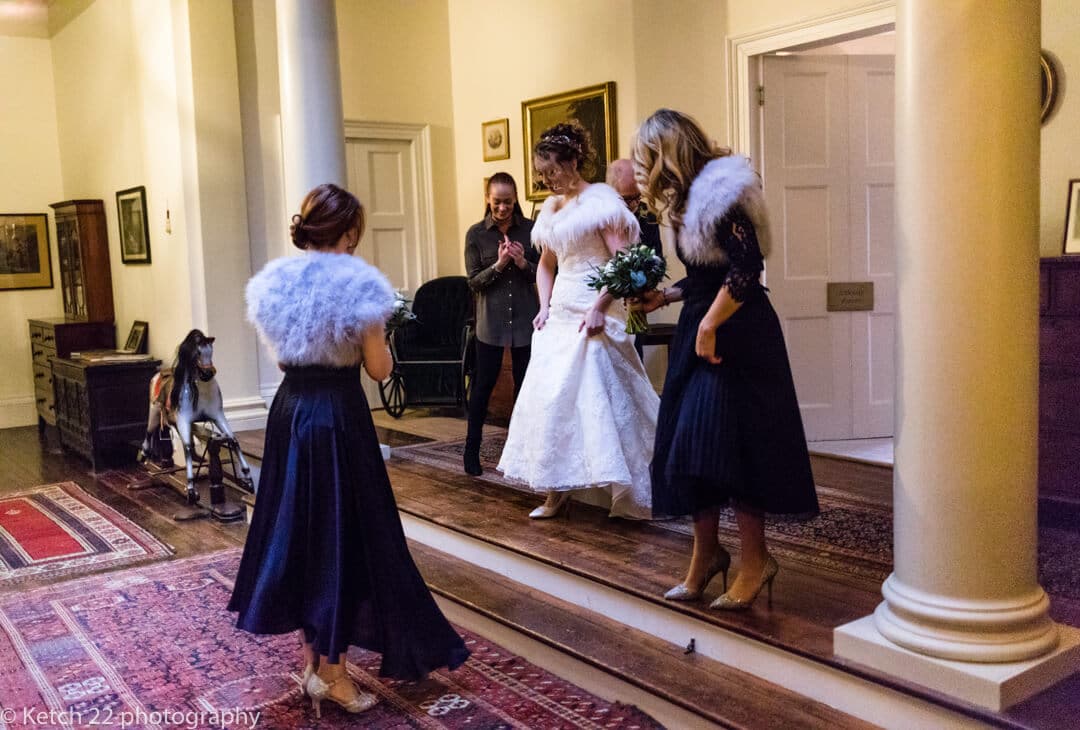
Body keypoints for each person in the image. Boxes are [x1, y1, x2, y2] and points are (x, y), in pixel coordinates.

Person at [229, 184, 469, 717]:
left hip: (290, 414)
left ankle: (315, 664)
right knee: (341, 536)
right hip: (336, 418)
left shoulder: (274, 283)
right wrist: (384, 332)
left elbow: (283, 363)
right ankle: (334, 677)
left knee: (300, 533)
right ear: (351, 231)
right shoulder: (361, 285)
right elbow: (380, 370)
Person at [632, 109, 818, 610]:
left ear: (666, 150)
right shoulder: (689, 198)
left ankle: (757, 561)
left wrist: (711, 325)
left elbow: (745, 270)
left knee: (735, 448)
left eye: (648, 155)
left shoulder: (724, 190)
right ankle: (706, 555)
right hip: (703, 327)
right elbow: (705, 275)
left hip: (739, 334)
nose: (644, 166)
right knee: (690, 447)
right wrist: (664, 298)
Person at [497, 123, 658, 520]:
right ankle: (557, 489)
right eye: (541, 174)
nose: (546, 180)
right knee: (553, 402)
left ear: (572, 162)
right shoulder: (551, 209)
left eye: (552, 171)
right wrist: (544, 306)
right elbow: (546, 264)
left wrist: (601, 305)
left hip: (593, 313)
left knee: (598, 401)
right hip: (560, 314)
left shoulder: (601, 203)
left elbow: (626, 261)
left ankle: (627, 487)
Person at [463, 172, 539, 475]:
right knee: (482, 388)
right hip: (490, 325)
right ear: (487, 199)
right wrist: (499, 264)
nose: (503, 208)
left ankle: (525, 456)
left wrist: (522, 263)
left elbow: (548, 274)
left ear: (516, 198)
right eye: (497, 202)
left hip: (525, 322)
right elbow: (473, 283)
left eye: (508, 202)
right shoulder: (476, 234)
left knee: (526, 390)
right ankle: (471, 452)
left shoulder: (532, 230)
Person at [608, 158, 665, 360]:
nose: (633, 204)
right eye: (626, 199)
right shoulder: (600, 216)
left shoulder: (648, 214)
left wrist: (640, 286)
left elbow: (656, 258)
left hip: (636, 301)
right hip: (605, 304)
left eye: (637, 197)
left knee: (634, 357)